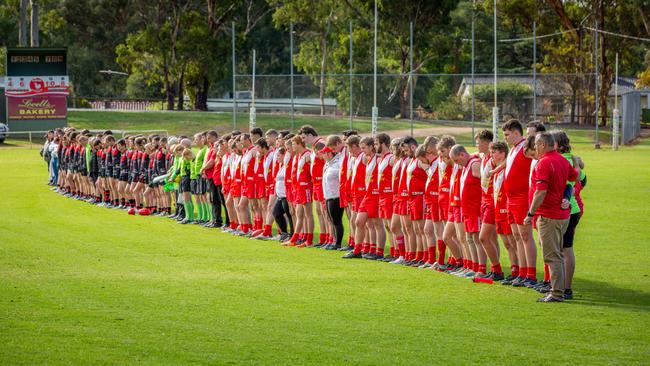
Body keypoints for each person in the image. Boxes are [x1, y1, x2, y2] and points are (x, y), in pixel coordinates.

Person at [525, 132, 578, 303]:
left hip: (549, 215)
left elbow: (540, 191)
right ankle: (559, 290)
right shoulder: (561, 159)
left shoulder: (544, 163)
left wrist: (530, 213)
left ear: (542, 145)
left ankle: (556, 293)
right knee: (558, 254)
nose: (535, 149)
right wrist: (565, 194)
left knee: (552, 256)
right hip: (562, 215)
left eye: (536, 145)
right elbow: (574, 176)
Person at [501, 119, 537, 287]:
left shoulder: (525, 147)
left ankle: (531, 274)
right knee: (516, 237)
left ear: (516, 132)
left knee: (525, 236)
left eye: (507, 135)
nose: (505, 138)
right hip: (510, 198)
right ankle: (522, 273)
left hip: (522, 198)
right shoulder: (514, 148)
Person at [321, 145, 344, 250]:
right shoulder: (327, 164)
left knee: (336, 220)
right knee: (331, 220)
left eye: (324, 153)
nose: (322, 155)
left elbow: (341, 179)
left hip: (336, 196)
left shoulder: (337, 164)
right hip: (328, 196)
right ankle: (334, 241)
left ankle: (338, 243)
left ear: (329, 153)